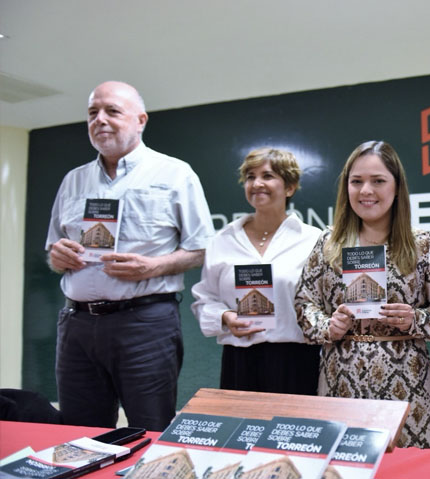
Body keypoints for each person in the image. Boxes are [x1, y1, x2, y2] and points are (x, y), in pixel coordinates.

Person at [45, 81, 214, 431]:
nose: (100, 120)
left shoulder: (174, 173)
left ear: (140, 120)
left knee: (149, 429)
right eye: (93, 113)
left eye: (112, 111)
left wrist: (154, 266)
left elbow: (200, 249)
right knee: (79, 434)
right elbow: (53, 249)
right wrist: (57, 256)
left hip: (144, 324)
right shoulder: (73, 180)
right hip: (77, 326)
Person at [294, 140, 430, 448]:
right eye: (357, 181)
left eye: (378, 181)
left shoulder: (422, 244)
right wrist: (329, 325)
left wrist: (414, 319)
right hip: (340, 378)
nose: (366, 190)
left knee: (408, 469)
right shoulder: (327, 243)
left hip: (407, 383)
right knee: (343, 466)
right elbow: (305, 304)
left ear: (397, 187)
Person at [191, 148, 322, 394]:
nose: (257, 183)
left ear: (290, 187)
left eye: (268, 176)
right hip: (239, 362)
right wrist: (226, 318)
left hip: (297, 361)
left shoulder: (314, 240)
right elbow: (205, 299)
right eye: (250, 177)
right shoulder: (222, 240)